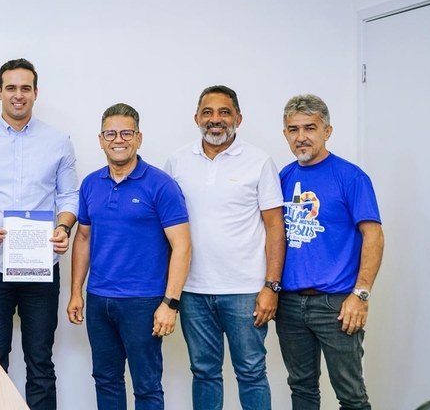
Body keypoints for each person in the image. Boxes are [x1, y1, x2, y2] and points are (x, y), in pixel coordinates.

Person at [0, 58, 78, 410]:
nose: (18, 95)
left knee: (41, 360)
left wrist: (63, 226)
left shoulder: (58, 141)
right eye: (11, 88)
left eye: (25, 88)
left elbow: (69, 197)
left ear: (36, 93)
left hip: (41, 266)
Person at [164, 85, 285, 410]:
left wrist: (272, 286)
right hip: (193, 291)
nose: (215, 119)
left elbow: (276, 228)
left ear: (238, 118)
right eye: (207, 112)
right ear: (196, 118)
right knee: (204, 373)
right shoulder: (176, 162)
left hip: (246, 291)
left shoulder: (259, 161)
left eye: (224, 112)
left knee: (251, 372)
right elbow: (166, 227)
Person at [68, 103, 191, 410]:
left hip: (143, 302)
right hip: (99, 300)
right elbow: (83, 238)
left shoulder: (161, 185)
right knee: (105, 380)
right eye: (111, 134)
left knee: (146, 386)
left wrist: (170, 304)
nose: (118, 140)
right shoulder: (90, 184)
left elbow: (182, 246)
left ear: (138, 138)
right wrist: (76, 292)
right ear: (100, 140)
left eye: (126, 133)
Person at [277, 94, 384, 410]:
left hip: (337, 304)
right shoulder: (283, 177)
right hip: (290, 304)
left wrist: (360, 294)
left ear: (327, 131)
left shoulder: (351, 177)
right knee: (302, 389)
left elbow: (374, 236)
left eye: (310, 128)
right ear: (285, 134)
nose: (301, 137)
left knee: (351, 395)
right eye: (293, 129)